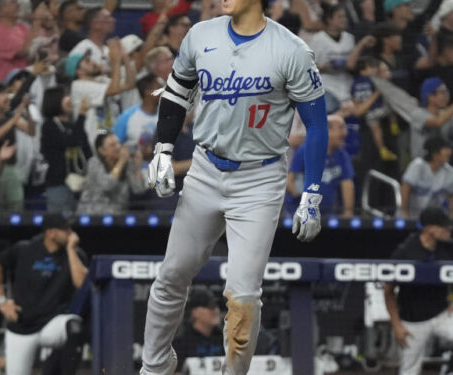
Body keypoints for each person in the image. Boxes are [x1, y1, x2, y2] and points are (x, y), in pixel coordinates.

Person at [139, 0, 329, 370]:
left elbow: (318, 124)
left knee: (243, 296)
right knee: (172, 274)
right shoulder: (200, 34)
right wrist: (162, 147)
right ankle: (155, 366)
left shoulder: (291, 49)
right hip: (205, 168)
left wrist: (312, 192)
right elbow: (177, 91)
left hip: (260, 178)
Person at [384, 207, 453, 375]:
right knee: (409, 371)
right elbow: (388, 291)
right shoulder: (406, 251)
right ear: (429, 228)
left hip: (441, 312)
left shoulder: (452, 248)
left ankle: (450, 371)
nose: (449, 230)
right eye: (444, 227)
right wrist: (396, 325)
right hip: (413, 319)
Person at [0, 215, 88, 375]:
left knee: (75, 328)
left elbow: (81, 284)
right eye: (66, 230)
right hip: (22, 324)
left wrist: (70, 250)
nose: (71, 234)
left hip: (52, 324)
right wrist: (2, 301)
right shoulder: (25, 249)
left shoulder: (75, 254)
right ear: (51, 233)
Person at [286, 115, 354, 217]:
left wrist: (348, 212)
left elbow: (347, 184)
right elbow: (289, 182)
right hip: (299, 213)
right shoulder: (306, 151)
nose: (345, 133)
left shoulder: (341, 155)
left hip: (327, 213)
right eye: (340, 128)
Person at [40, 87, 93, 214]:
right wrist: (81, 115)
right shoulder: (49, 126)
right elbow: (70, 142)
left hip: (80, 184)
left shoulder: (73, 125)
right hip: (59, 184)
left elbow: (86, 150)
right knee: (61, 223)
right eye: (64, 96)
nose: (69, 99)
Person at [76, 132, 148, 215]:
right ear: (102, 151)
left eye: (118, 143)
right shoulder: (94, 163)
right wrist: (121, 161)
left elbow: (138, 190)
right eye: (112, 145)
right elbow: (107, 185)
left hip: (117, 216)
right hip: (93, 216)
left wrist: (137, 166)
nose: (118, 147)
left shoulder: (126, 164)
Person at [172, 288, 224, 372]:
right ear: (194, 312)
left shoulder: (224, 339)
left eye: (217, 306)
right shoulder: (181, 344)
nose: (216, 310)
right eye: (210, 306)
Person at [0, 0, 31, 82]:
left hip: (23, 80)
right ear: (2, 10)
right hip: (4, 84)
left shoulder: (23, 27)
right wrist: (37, 23)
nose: (18, 5)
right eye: (13, 2)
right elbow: (23, 52)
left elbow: (32, 51)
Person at [113, 74, 161, 149]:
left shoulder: (166, 115)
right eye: (159, 88)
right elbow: (115, 145)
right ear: (148, 92)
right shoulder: (127, 117)